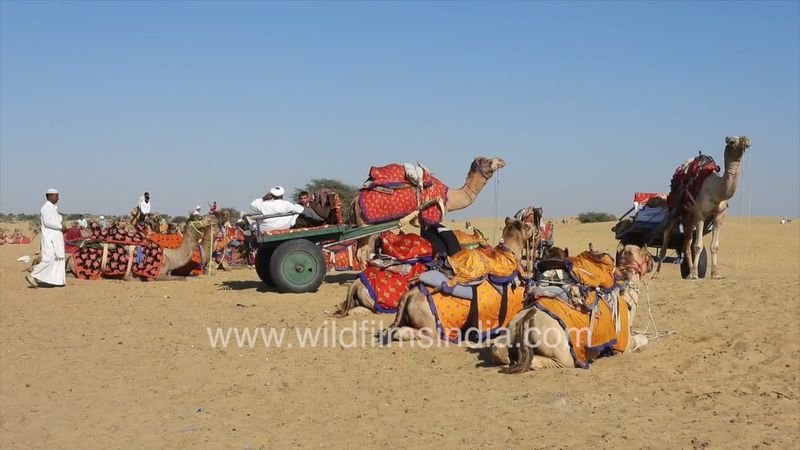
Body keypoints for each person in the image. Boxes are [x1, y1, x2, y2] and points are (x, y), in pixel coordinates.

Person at [26, 188, 66, 288]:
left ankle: (57, 281)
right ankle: (32, 275)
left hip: (56, 237)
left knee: (57, 259)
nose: (58, 198)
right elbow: (47, 222)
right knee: (48, 259)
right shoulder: (46, 208)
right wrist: (61, 227)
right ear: (49, 196)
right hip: (49, 238)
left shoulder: (53, 208)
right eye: (56, 195)